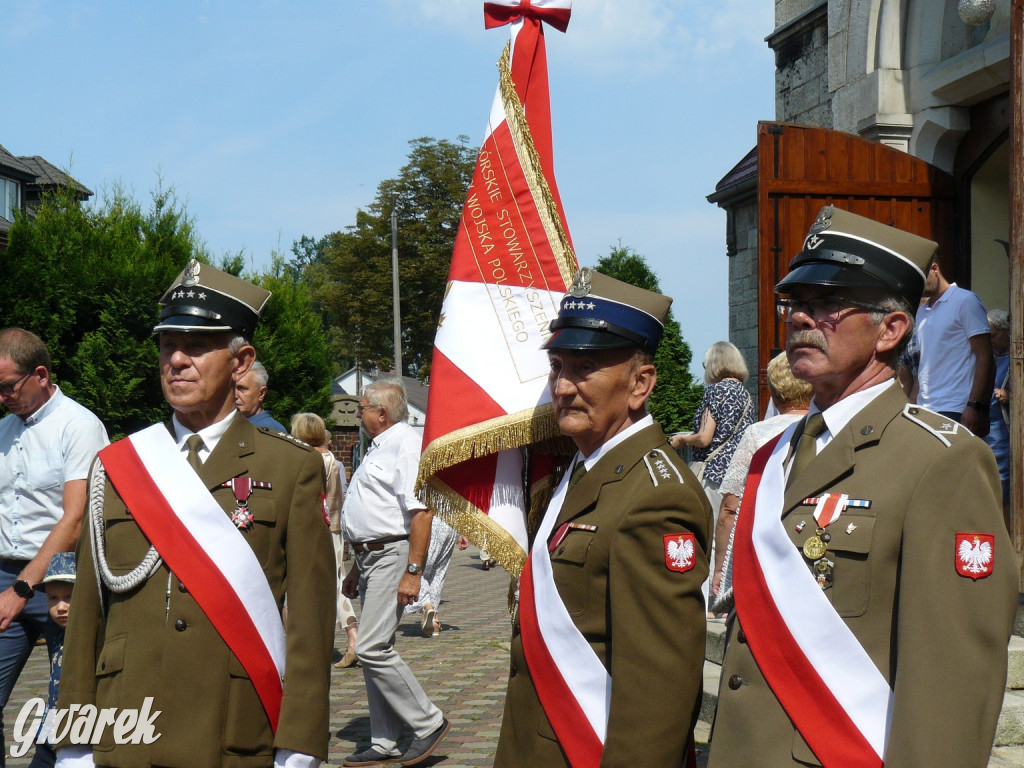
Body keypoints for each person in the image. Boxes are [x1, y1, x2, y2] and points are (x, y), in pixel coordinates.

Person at [708, 206, 1017, 768]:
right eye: (795, 304)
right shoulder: (775, 454)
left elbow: (949, 682)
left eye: (826, 305)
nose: (801, 318)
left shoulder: (940, 462)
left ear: (891, 329)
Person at [57, 259, 335, 768]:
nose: (177, 360)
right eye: (167, 345)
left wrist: (300, 742)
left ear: (240, 360)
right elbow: (87, 615)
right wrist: (74, 738)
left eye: (198, 346)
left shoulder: (291, 467)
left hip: (230, 728)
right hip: (124, 728)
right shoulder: (118, 466)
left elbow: (313, 625)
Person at [493, 269, 712, 767]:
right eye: (557, 365)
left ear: (640, 383)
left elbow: (659, 693)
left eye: (585, 367)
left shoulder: (657, 497)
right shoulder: (580, 467)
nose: (563, 386)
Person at [0, 327, 108, 767]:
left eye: (8, 386)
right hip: (7, 574)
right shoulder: (4, 430)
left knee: (67, 707)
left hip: (65, 576)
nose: (1, 397)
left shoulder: (79, 426)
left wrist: (23, 590)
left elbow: (76, 518)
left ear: (40, 375)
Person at [340, 378, 449, 767]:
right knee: (374, 651)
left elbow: (420, 512)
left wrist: (413, 572)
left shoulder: (404, 444)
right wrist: (356, 566)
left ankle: (428, 721)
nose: (357, 414)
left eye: (362, 408)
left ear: (381, 413)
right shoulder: (380, 446)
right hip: (370, 558)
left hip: (391, 556)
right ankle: (384, 740)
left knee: (371, 647)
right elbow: (376, 511)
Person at [711, 351, 812, 611]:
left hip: (762, 551)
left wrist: (721, 566)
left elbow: (730, 507)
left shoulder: (757, 434)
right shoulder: (824, 429)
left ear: (775, 395)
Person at [670, 339, 754, 613]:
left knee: (705, 535)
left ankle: (705, 600)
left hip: (714, 472)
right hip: (738, 471)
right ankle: (727, 597)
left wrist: (682, 440)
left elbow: (704, 438)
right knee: (729, 538)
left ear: (716, 364)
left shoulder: (715, 392)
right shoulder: (745, 394)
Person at [290, 412, 359, 669]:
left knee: (320, 586)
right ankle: (353, 638)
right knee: (338, 582)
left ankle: (347, 639)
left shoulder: (308, 460)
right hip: (335, 529)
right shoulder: (332, 459)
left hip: (317, 530)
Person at [914, 257, 994, 436]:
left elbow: (986, 357)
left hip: (956, 408)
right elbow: (924, 365)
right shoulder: (921, 312)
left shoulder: (966, 301)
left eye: (922, 280)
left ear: (934, 269)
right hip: (924, 409)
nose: (919, 288)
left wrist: (976, 406)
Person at [30, 552, 76, 768]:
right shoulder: (56, 633)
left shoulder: (94, 636)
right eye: (53, 598)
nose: (61, 607)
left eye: (69, 597)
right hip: (51, 726)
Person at [403, 516, 459, 637]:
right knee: (438, 572)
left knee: (416, 567)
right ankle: (434, 620)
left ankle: (427, 605)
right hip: (450, 523)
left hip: (428, 522)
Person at [985, 308, 1010, 515]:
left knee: (1004, 482)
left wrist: (1011, 397)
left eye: (994, 335)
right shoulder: (988, 358)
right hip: (986, 427)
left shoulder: (1015, 360)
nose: (991, 340)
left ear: (1007, 331)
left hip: (1004, 429)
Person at [235, 360, 287, 431]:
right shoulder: (224, 425)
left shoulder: (273, 431)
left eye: (242, 388)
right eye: (230, 389)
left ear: (262, 393)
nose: (234, 395)